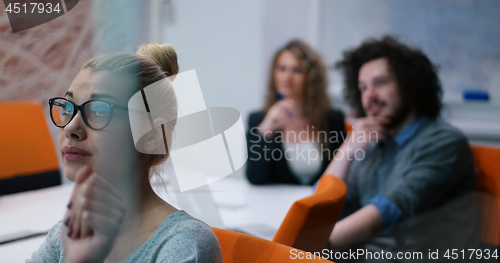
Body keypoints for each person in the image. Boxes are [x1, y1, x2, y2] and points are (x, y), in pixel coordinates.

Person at [27, 44, 222, 263]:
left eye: (100, 111)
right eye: (68, 108)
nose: (70, 127)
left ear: (152, 136)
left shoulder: (183, 246)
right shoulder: (64, 238)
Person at [324, 36, 480, 261]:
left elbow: (392, 209)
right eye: (363, 87)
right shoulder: (373, 145)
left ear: (410, 86)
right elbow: (323, 205)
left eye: (380, 82)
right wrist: (348, 149)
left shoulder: (443, 142)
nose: (369, 96)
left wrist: (318, 242)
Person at [246, 39, 345, 185]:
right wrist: (265, 132)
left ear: (311, 77)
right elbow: (255, 178)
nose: (287, 77)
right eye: (281, 68)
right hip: (275, 206)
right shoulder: (258, 120)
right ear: (274, 73)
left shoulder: (332, 120)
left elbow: (340, 178)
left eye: (297, 70)